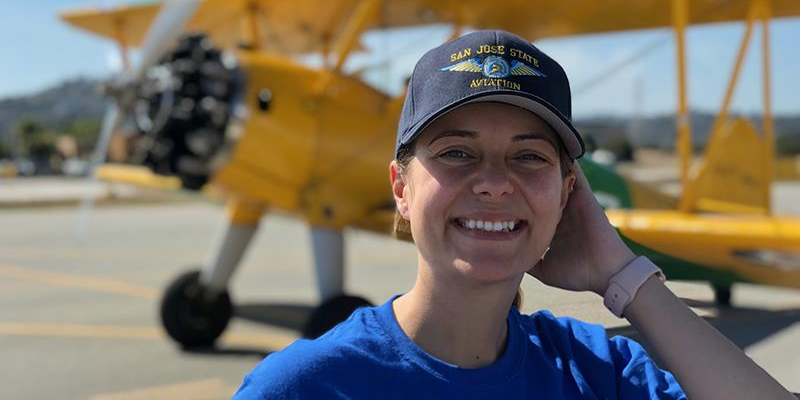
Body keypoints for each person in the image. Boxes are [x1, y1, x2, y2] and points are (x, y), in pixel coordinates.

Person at [232, 30, 794, 399]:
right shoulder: (304, 387)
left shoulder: (598, 372)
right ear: (400, 186)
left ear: (568, 191)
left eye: (529, 157)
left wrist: (624, 277)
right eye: (457, 152)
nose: (496, 183)